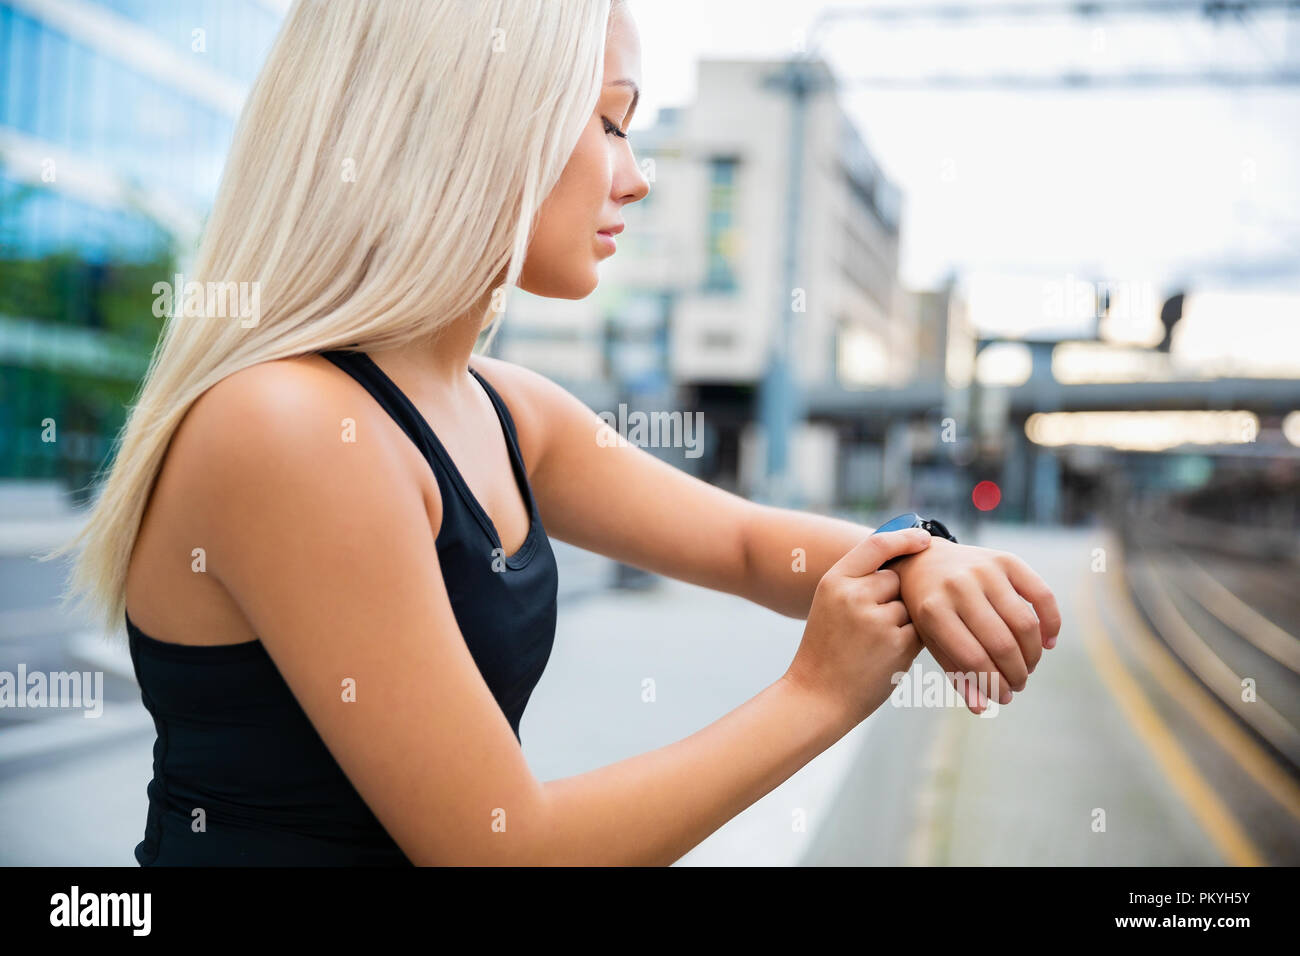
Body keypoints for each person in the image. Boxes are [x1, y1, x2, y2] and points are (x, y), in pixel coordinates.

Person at [48, 0, 1060, 866]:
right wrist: (816, 694)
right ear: (479, 123)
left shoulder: (505, 408)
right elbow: (502, 849)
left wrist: (923, 556)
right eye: (613, 124)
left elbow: (750, 543)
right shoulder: (292, 428)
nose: (639, 176)